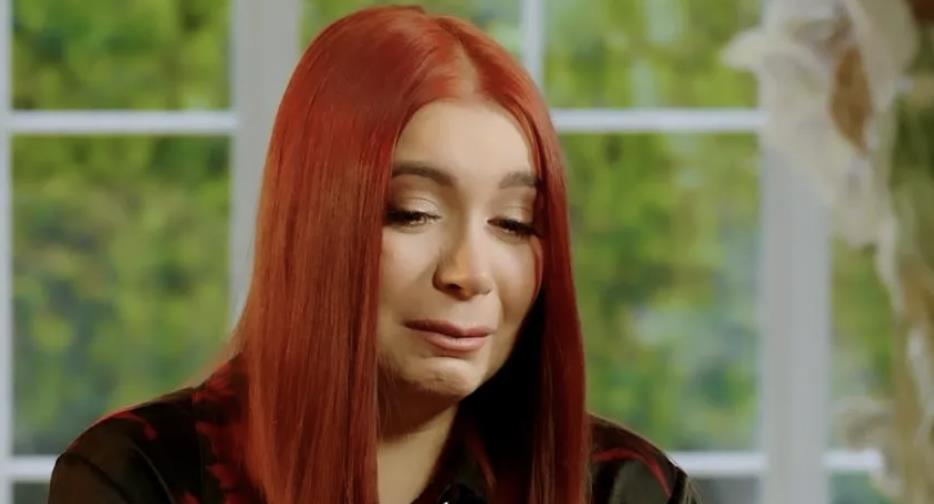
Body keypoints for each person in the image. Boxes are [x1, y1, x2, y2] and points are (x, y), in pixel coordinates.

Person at [47, 5, 701, 503]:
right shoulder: (139, 476)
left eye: (513, 223)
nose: (469, 275)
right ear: (314, 225)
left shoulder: (629, 490)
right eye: (413, 213)